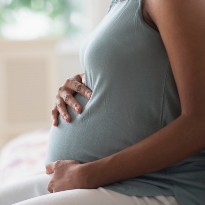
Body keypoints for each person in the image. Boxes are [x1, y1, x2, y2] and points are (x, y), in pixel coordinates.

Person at [0, 0, 205, 204]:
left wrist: (89, 174)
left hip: (159, 185)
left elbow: (200, 122)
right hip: (107, 180)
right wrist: (86, 79)